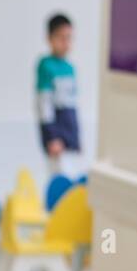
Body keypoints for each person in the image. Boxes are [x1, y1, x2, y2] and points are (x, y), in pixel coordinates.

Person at [36, 13, 80, 179]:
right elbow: (44, 104)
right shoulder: (46, 66)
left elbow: (72, 105)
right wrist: (52, 136)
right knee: (59, 178)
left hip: (70, 134)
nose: (66, 43)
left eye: (69, 38)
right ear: (49, 38)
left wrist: (76, 138)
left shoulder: (70, 68)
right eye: (61, 38)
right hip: (57, 135)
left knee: (72, 178)